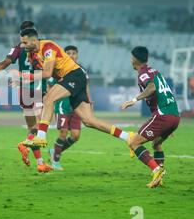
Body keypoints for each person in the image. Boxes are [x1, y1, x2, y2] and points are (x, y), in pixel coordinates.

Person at [19, 29, 165, 187]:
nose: (23, 44)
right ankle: (127, 136)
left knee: (49, 99)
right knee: (89, 121)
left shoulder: (47, 47)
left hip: (73, 76)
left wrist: (29, 76)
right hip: (72, 78)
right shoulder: (34, 53)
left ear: (34, 40)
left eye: (25, 42)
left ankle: (41, 137)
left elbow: (47, 73)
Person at [0, 21, 52, 173]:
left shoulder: (17, 48)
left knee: (31, 128)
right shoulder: (42, 46)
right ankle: (25, 145)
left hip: (23, 90)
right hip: (38, 87)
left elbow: (5, 63)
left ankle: (40, 163)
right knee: (42, 125)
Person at [121, 46, 180, 188]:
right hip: (175, 115)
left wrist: (133, 100)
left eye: (131, 57)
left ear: (134, 59)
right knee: (156, 144)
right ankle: (159, 179)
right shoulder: (155, 71)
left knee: (134, 143)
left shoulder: (143, 73)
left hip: (163, 115)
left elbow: (152, 87)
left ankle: (157, 170)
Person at [48, 45, 92, 171]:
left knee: (75, 136)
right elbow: (50, 87)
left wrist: (89, 101)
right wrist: (49, 102)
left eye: (74, 53)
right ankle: (55, 161)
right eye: (69, 53)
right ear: (64, 55)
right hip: (62, 104)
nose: (71, 55)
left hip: (76, 105)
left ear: (77, 55)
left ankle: (55, 150)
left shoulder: (81, 70)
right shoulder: (58, 69)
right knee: (63, 132)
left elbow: (86, 87)